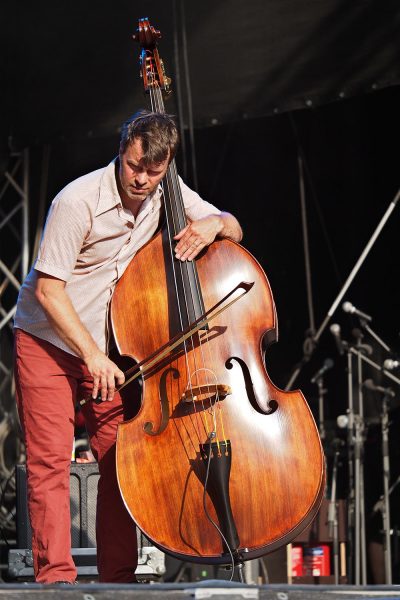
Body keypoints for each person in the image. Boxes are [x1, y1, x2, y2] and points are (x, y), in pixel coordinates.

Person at [13, 110, 243, 584]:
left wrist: (214, 224)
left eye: (152, 171)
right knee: (50, 462)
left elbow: (235, 227)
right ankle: (55, 580)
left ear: (167, 167)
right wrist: (91, 356)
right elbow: (47, 290)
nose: (140, 179)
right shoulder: (76, 201)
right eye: (134, 165)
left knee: (121, 460)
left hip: (110, 351)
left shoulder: (167, 192)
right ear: (122, 152)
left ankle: (117, 581)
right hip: (48, 340)